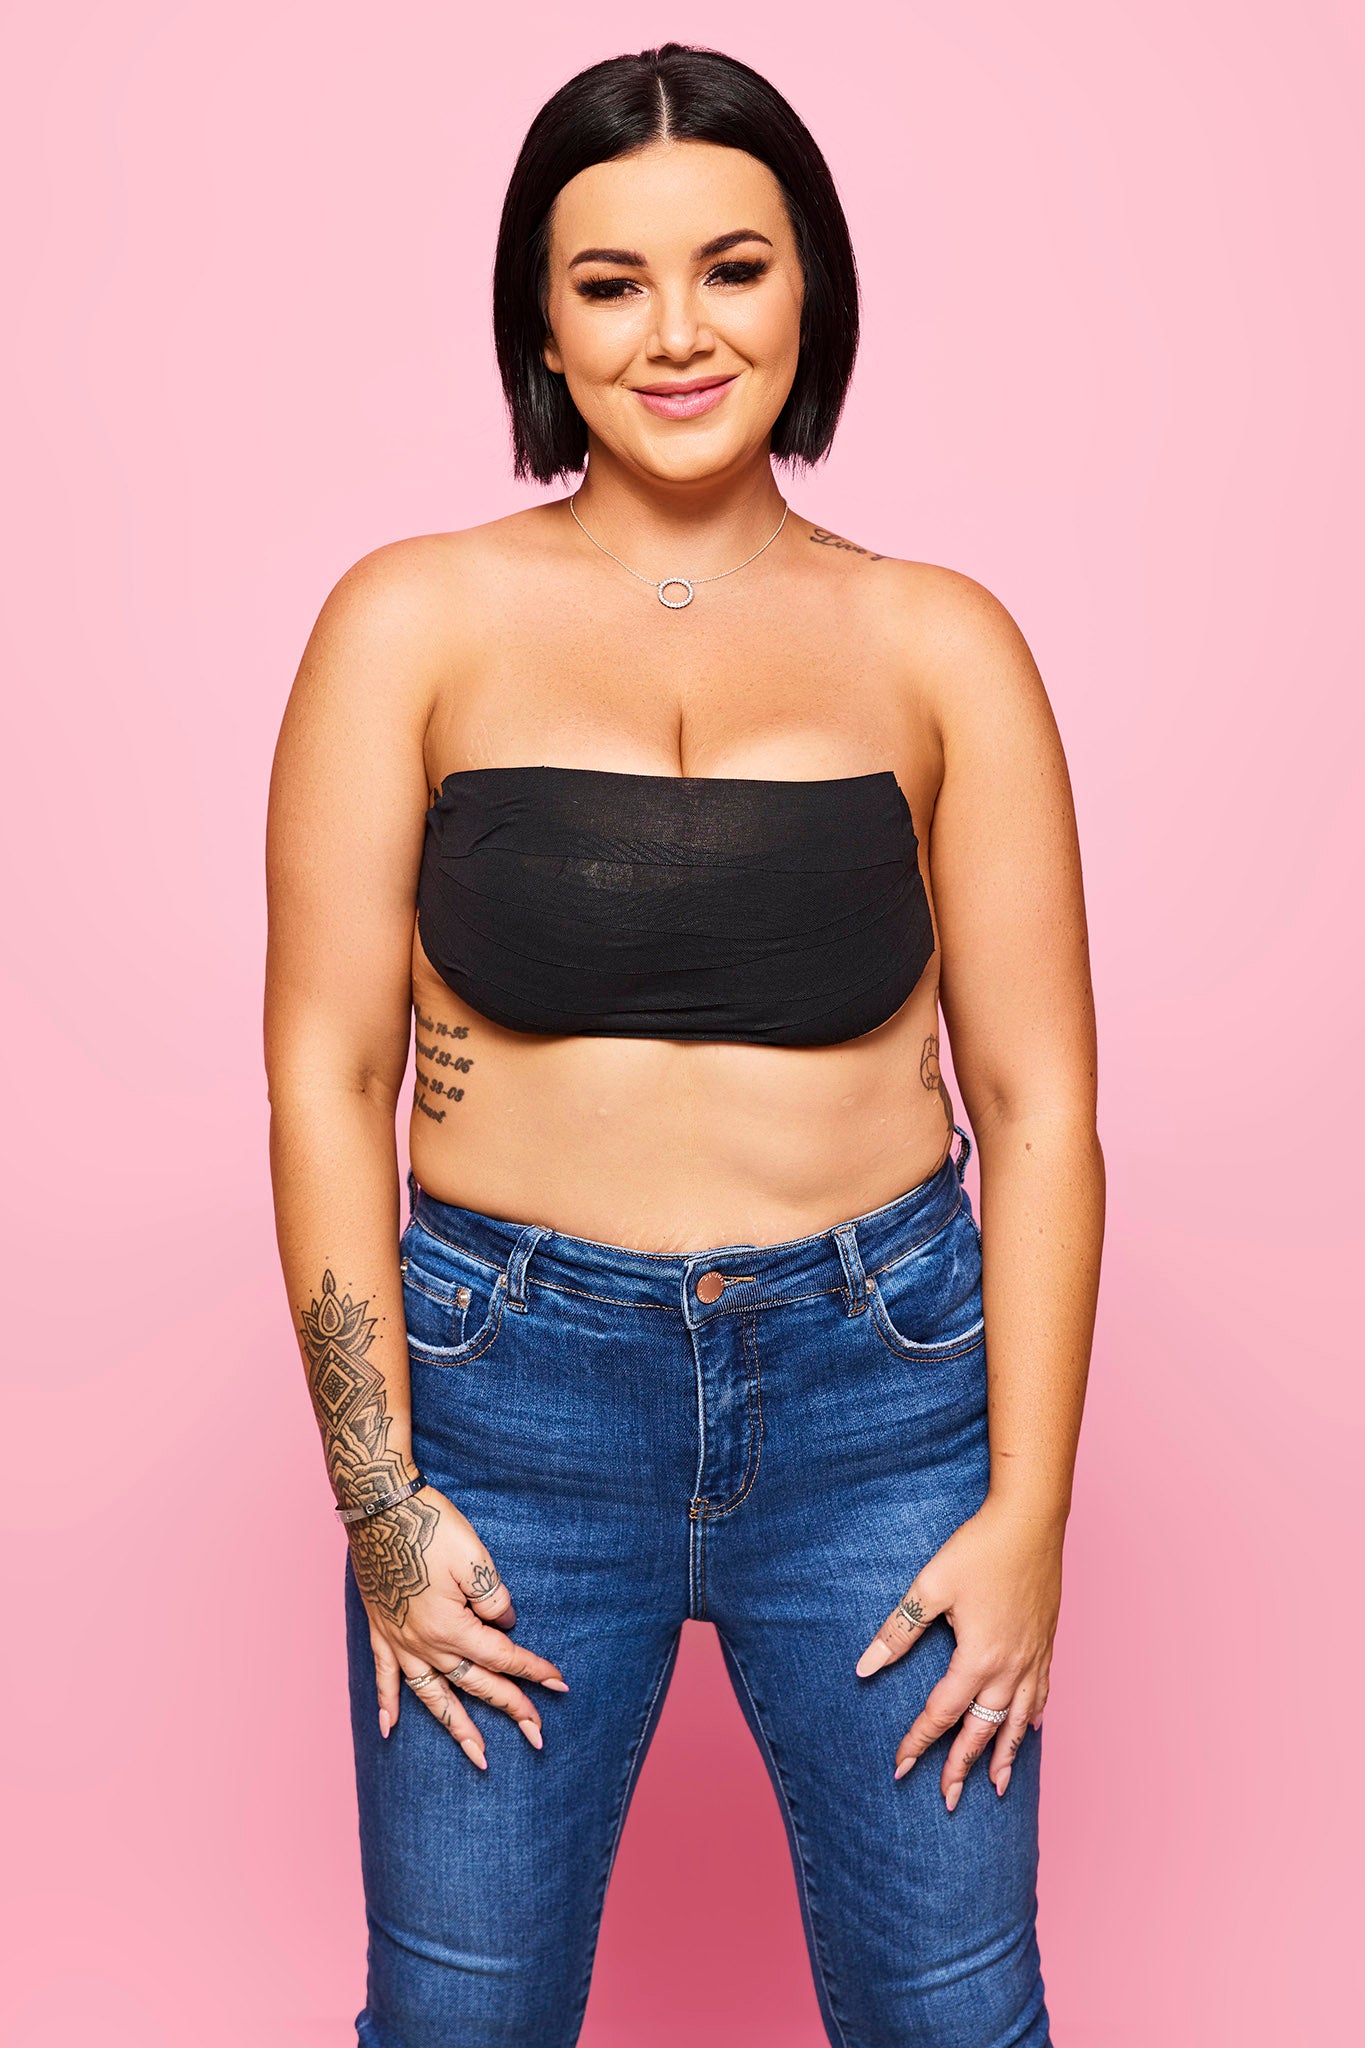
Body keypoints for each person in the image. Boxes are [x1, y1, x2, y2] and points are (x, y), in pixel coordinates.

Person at [264, 39, 1102, 2048]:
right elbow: (325, 1074)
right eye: (609, 281)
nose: (675, 334)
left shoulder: (940, 643)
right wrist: (378, 1501)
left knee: (955, 2020)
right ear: (541, 324)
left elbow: (1038, 1107)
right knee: (457, 2023)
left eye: (731, 267)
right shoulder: (407, 623)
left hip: (882, 1402)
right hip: (506, 1406)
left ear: (809, 289)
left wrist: (1028, 1518)